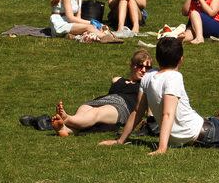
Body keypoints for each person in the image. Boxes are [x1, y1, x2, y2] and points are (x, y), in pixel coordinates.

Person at [21, 50, 153, 136]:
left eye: (147, 68)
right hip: (102, 100)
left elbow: (150, 107)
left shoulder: (147, 85)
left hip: (122, 107)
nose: (143, 70)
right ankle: (65, 129)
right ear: (132, 65)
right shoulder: (117, 80)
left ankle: (68, 119)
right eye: (139, 65)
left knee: (96, 114)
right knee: (84, 109)